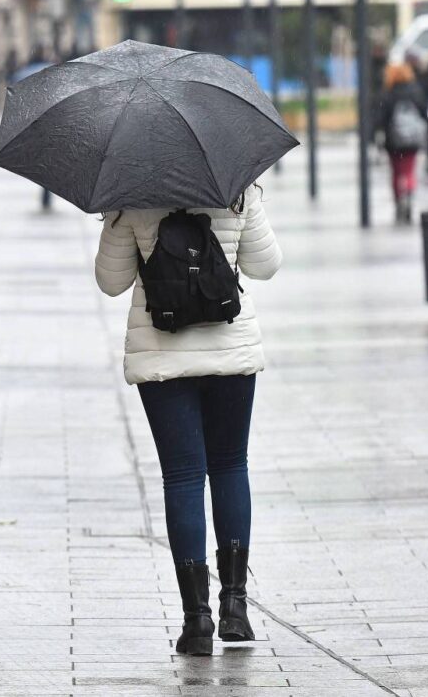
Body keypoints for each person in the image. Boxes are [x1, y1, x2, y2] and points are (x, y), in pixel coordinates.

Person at [94, 185, 282, 656]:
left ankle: (196, 620)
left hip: (162, 355)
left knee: (181, 478)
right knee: (229, 466)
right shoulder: (234, 184)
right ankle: (235, 607)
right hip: (230, 349)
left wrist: (126, 219)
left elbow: (110, 281)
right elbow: (266, 264)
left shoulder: (131, 188)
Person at [376, 63, 427, 224]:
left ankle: (400, 200)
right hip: (412, 140)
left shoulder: (388, 93)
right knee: (409, 170)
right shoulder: (415, 91)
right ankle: (409, 194)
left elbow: (381, 118)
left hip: (394, 141)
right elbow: (423, 111)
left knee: (397, 172)